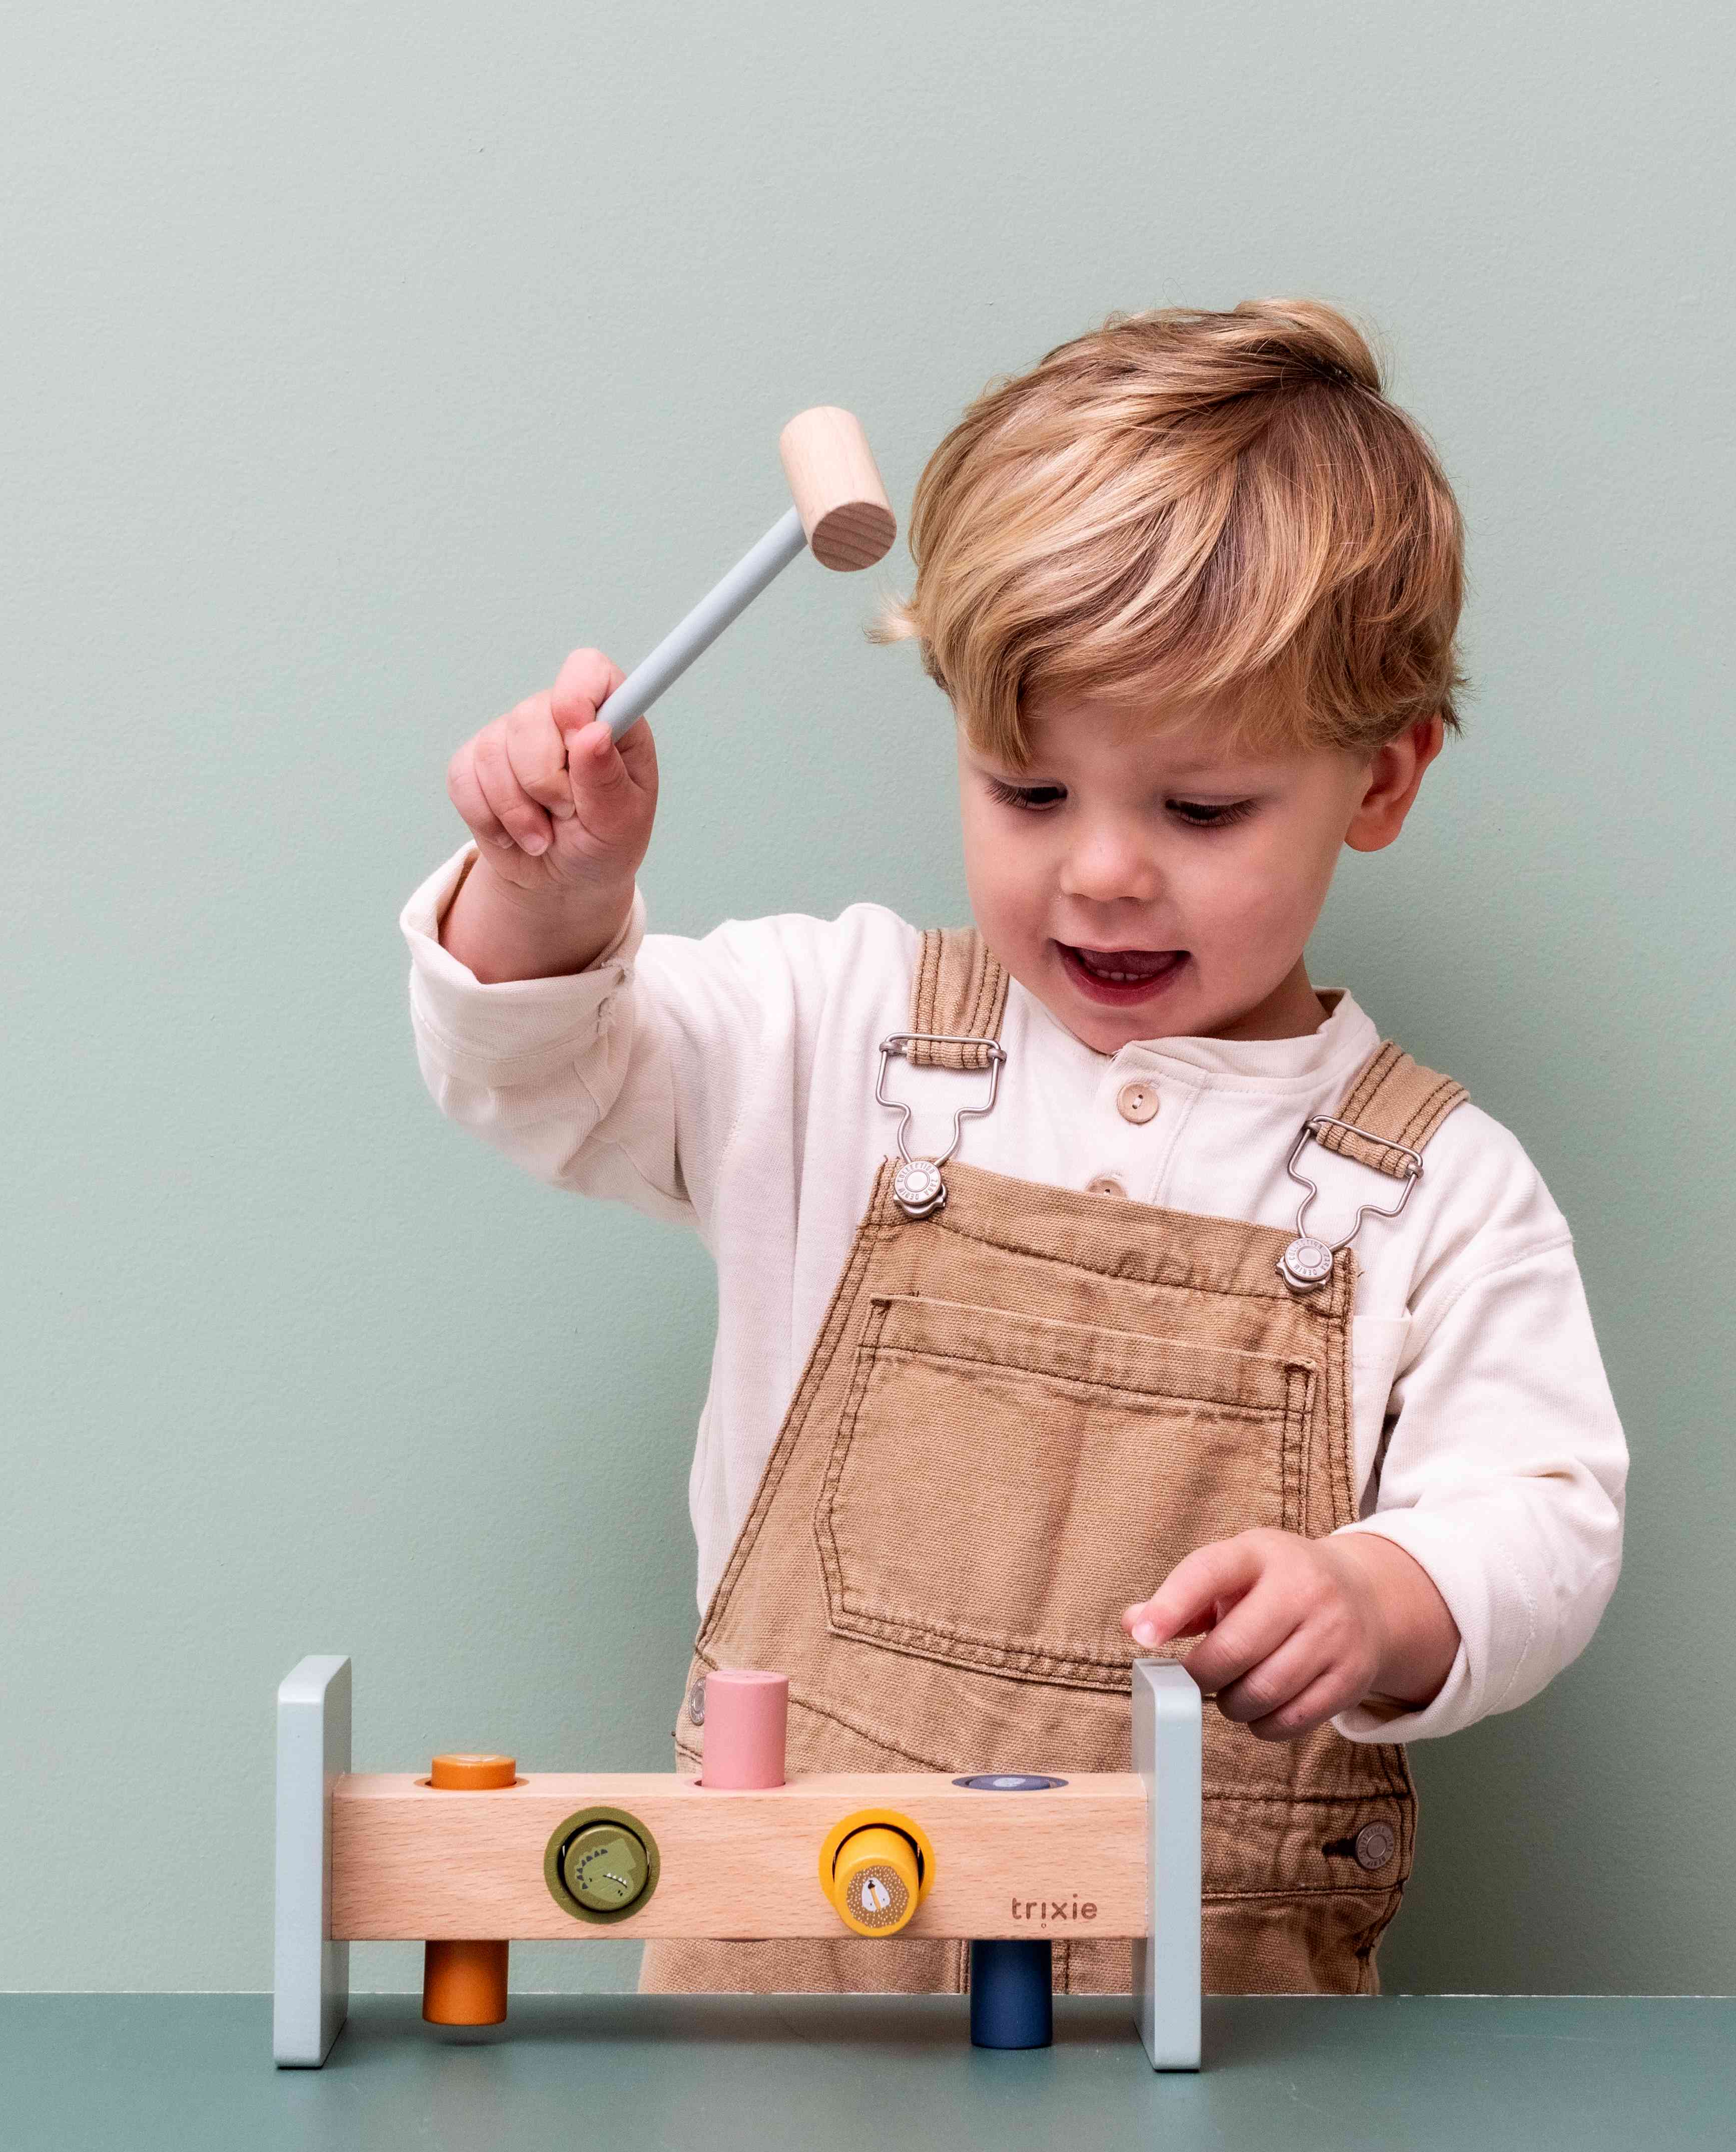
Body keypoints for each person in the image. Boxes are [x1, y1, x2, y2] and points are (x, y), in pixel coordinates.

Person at [405, 300, 1626, 1996]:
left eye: (1200, 811)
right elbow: (549, 1077)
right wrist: (549, 890)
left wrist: (1385, 1590)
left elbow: (1546, 1515)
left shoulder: (1435, 1189)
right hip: (791, 2038)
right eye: (1027, 791)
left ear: (1383, 776)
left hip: (1218, 2059)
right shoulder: (840, 1034)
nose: (1104, 872)